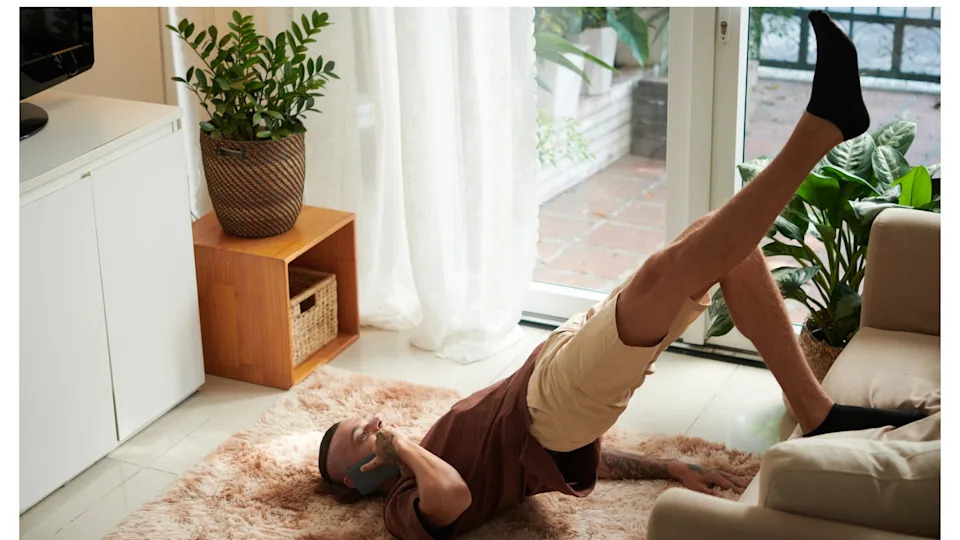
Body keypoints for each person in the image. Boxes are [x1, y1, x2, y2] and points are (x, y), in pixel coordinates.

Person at [316, 11, 926, 539]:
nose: (370, 424)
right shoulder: (401, 503)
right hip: (549, 401)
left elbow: (551, 458)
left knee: (723, 249)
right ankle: (823, 127)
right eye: (355, 438)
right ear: (354, 480)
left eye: (359, 424)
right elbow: (454, 498)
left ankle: (816, 410)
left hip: (553, 383)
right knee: (671, 271)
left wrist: (665, 467)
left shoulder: (425, 449)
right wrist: (399, 449)